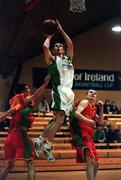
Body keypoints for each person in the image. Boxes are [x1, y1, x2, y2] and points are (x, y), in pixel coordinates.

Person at [34, 19, 74, 162]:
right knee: (60, 119)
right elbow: (45, 48)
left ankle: (39, 140)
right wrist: (50, 35)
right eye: (55, 46)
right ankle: (48, 146)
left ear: (62, 50)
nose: (58, 46)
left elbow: (70, 44)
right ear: (54, 50)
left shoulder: (68, 59)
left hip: (69, 92)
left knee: (57, 120)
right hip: (59, 90)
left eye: (60, 46)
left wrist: (61, 30)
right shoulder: (51, 60)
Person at [0, 75, 49, 180]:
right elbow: (36, 95)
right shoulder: (22, 99)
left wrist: (7, 113)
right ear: (23, 91)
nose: (29, 89)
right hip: (19, 135)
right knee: (30, 163)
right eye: (27, 88)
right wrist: (45, 84)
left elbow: (4, 116)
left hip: (10, 138)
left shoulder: (16, 103)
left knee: (9, 166)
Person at [70, 89, 103, 180]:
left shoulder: (94, 108)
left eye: (95, 93)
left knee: (96, 163)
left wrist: (101, 108)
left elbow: (100, 122)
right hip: (81, 135)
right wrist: (87, 120)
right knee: (91, 161)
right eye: (90, 92)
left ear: (96, 98)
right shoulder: (85, 102)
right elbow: (76, 113)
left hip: (88, 137)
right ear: (86, 95)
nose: (93, 93)